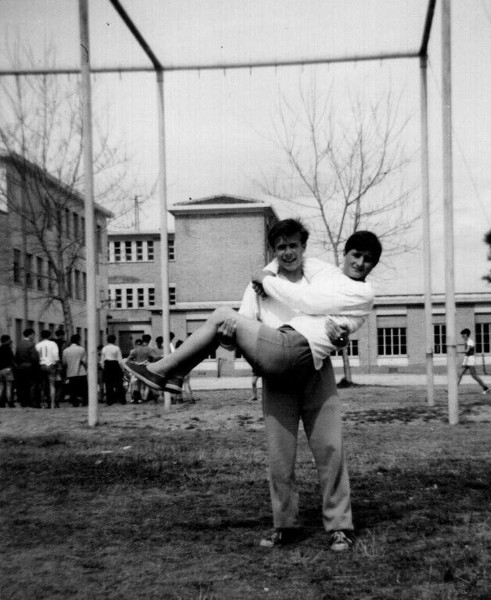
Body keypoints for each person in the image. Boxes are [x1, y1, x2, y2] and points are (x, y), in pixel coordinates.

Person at [125, 219, 381, 551]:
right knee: (279, 454)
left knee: (330, 449)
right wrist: (230, 338)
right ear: (273, 251)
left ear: (304, 248)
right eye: (281, 247)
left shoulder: (322, 275)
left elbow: (338, 316)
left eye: (294, 246)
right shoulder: (257, 284)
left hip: (316, 369)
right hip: (276, 368)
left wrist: (343, 336)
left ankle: (339, 526)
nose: (289, 252)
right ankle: (284, 525)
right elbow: (237, 335)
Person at [457, 328, 489, 393]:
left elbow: (467, 350)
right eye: (462, 335)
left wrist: (458, 351)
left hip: (470, 360)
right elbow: (465, 346)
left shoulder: (470, 342)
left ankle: (486, 388)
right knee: (460, 374)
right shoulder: (466, 341)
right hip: (466, 359)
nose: (462, 336)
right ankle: (453, 389)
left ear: (467, 335)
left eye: (463, 335)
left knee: (474, 376)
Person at [14, 328, 40, 408]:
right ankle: (32, 401)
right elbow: (34, 357)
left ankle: (23, 401)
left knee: (22, 385)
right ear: (31, 334)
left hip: (21, 367)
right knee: (32, 384)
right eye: (33, 335)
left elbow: (16, 356)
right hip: (30, 366)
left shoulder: (19, 344)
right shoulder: (31, 344)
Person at [36, 330, 60, 408]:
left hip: (41, 365)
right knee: (52, 385)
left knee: (42, 385)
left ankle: (43, 403)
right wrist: (58, 363)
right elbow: (56, 355)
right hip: (51, 365)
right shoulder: (53, 344)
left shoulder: (38, 345)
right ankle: (52, 403)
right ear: (49, 336)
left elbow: (36, 356)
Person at [62, 334, 88, 407]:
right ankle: (85, 401)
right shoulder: (82, 349)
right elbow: (84, 361)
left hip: (70, 371)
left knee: (72, 388)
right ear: (78, 340)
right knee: (83, 388)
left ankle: (74, 402)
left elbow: (64, 362)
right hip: (81, 372)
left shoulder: (65, 351)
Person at [100, 334, 126, 405]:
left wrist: (104, 368)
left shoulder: (104, 348)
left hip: (107, 365)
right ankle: (122, 400)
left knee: (108, 384)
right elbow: (120, 360)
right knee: (119, 383)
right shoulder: (116, 348)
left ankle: (109, 401)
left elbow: (102, 361)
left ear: (107, 340)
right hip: (115, 364)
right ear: (115, 340)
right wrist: (122, 369)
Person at [0, 335, 16, 407]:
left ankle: (1, 402)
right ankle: (10, 402)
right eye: (9, 340)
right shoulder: (8, 349)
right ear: (7, 340)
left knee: (1, 386)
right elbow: (12, 360)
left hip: (0, 370)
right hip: (8, 369)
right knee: (9, 387)